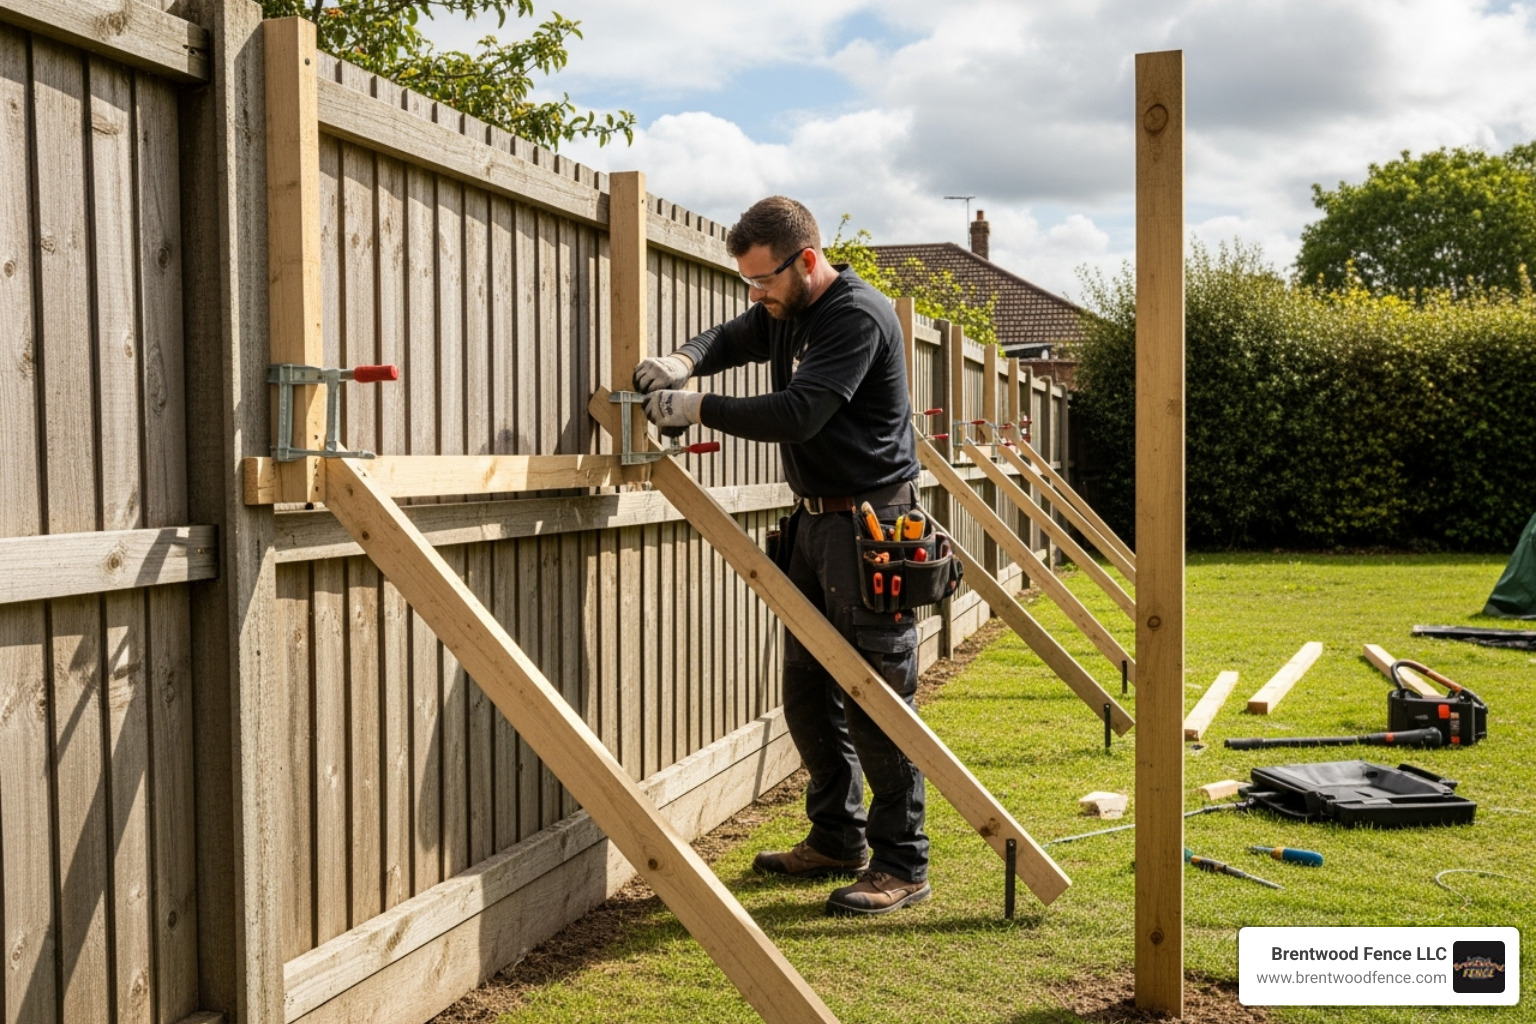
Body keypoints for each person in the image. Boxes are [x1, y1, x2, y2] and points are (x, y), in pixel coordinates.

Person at [632, 196, 929, 916]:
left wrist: (696, 407)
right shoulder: (780, 310)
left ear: (806, 260)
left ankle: (903, 865)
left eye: (762, 280)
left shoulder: (857, 315)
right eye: (747, 282)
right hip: (813, 525)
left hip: (871, 524)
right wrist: (682, 360)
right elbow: (727, 337)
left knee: (876, 697)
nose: (755, 294)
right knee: (806, 690)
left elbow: (801, 411)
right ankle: (837, 838)